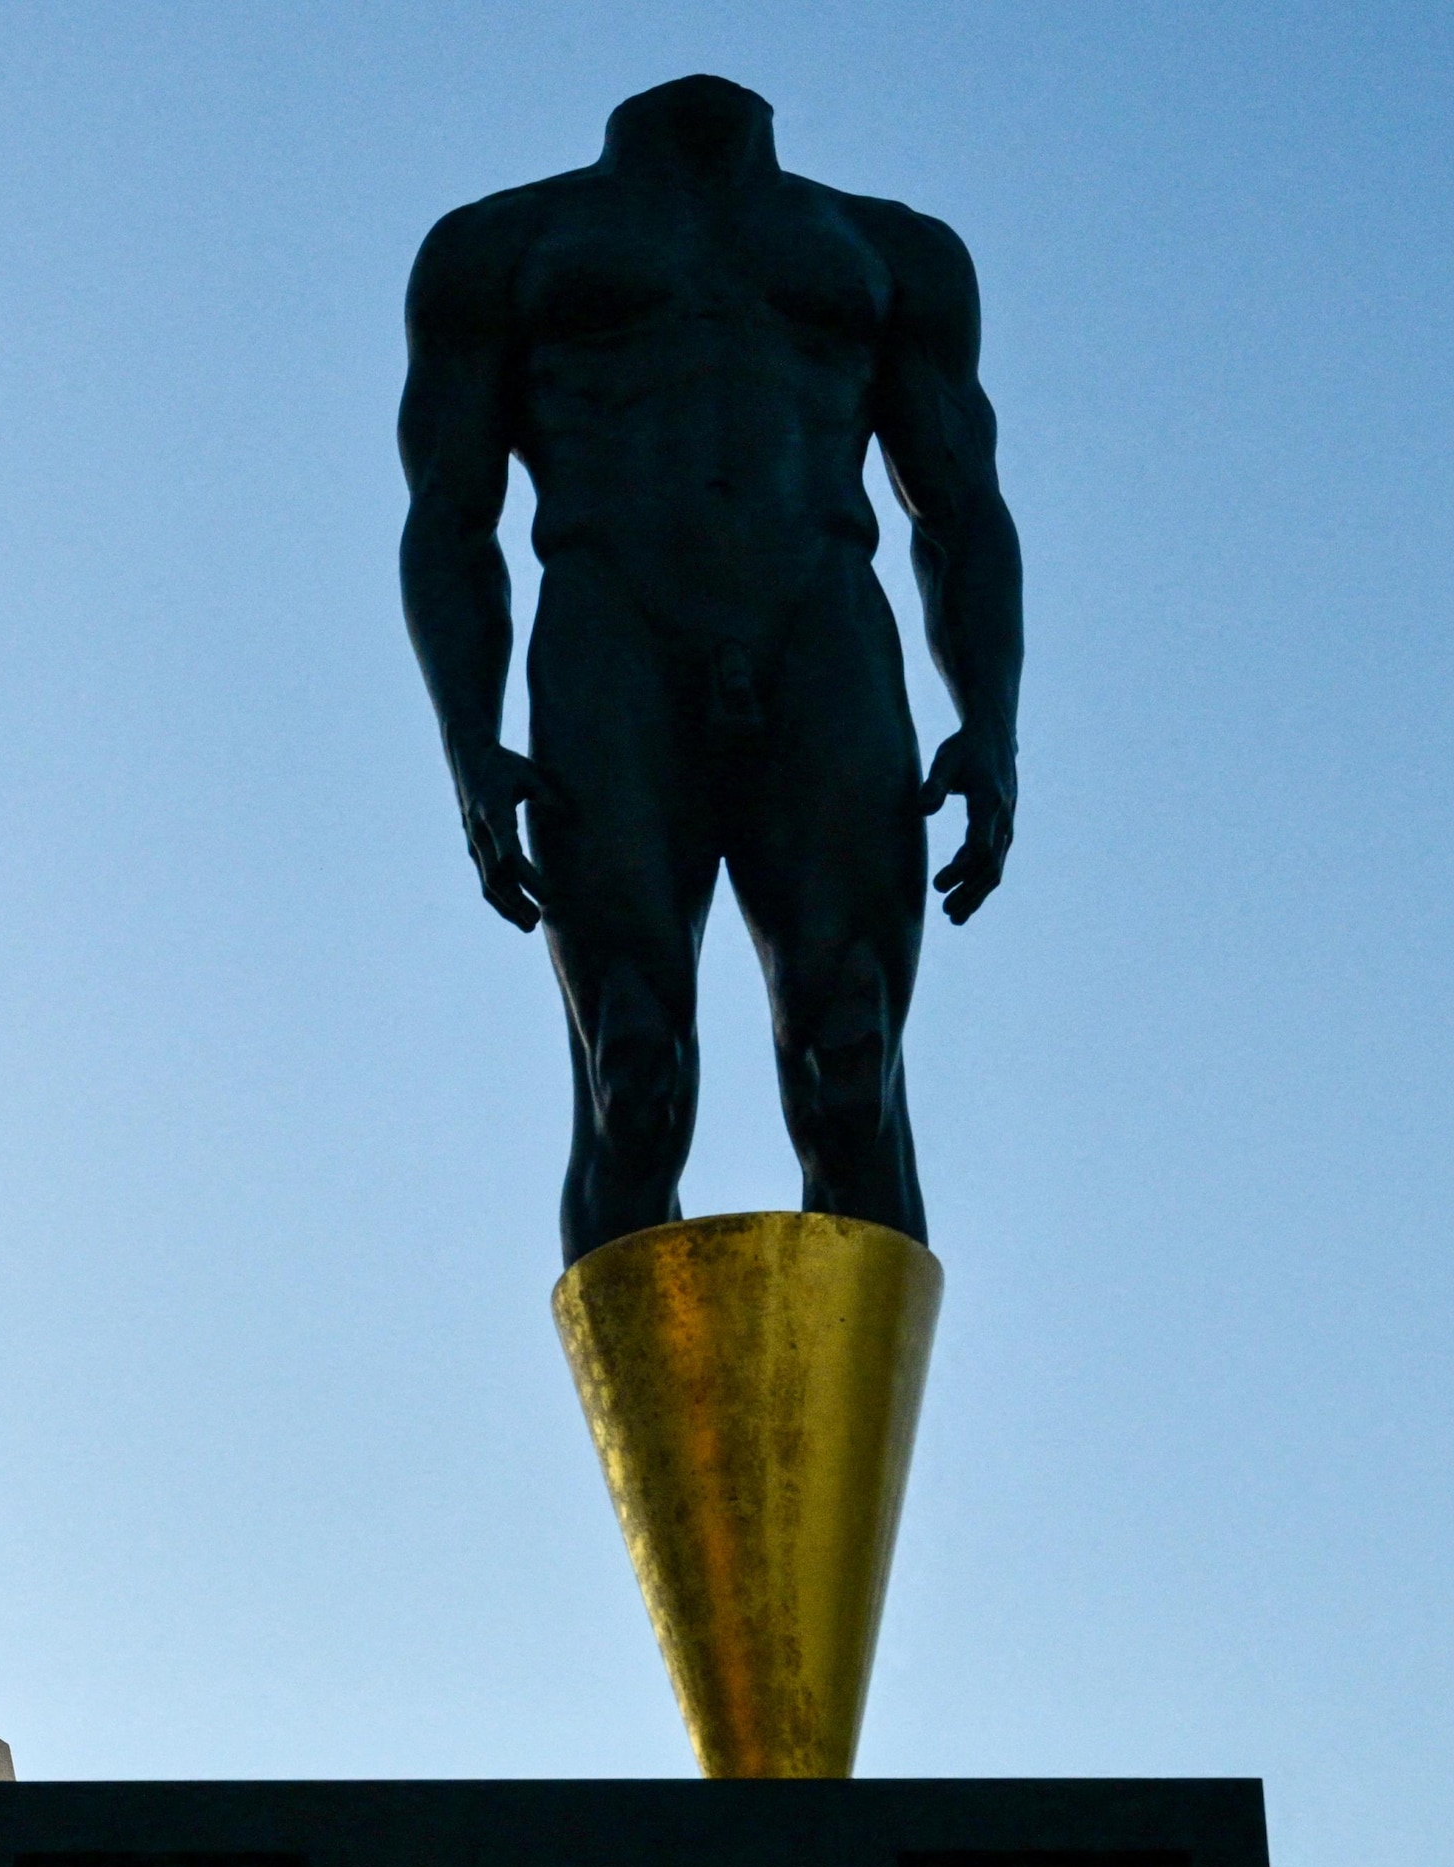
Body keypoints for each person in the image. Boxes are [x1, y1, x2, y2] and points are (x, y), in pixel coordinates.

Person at [398, 74, 1022, 1263]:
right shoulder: (500, 245)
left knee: (852, 1064)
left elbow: (960, 510)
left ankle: (838, 1445)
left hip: (821, 639)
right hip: (611, 646)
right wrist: (468, 745)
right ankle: (656, 1448)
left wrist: (989, 722)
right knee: (631, 1070)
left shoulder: (891, 252)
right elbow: (447, 517)